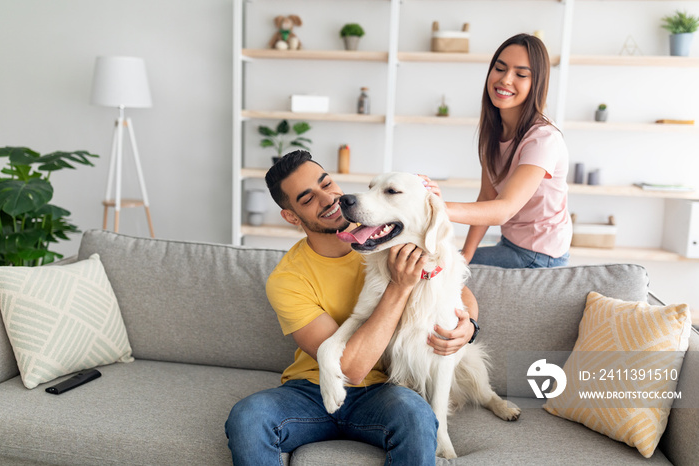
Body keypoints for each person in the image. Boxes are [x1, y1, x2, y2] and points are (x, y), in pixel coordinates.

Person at [225, 150, 478, 465]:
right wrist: (399, 287)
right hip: (312, 390)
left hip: (383, 390)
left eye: (327, 183)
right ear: (291, 216)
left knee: (416, 415)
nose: (328, 198)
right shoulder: (287, 279)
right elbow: (350, 370)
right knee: (248, 416)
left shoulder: (387, 238)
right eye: (307, 199)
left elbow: (455, 287)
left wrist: (468, 327)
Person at [423, 33, 572, 269]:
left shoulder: (543, 139)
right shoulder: (495, 131)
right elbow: (487, 196)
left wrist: (435, 206)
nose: (505, 80)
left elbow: (504, 209)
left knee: (435, 268)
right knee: (446, 264)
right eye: (500, 68)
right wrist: (467, 253)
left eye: (520, 74)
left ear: (537, 84)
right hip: (510, 243)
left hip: (540, 257)